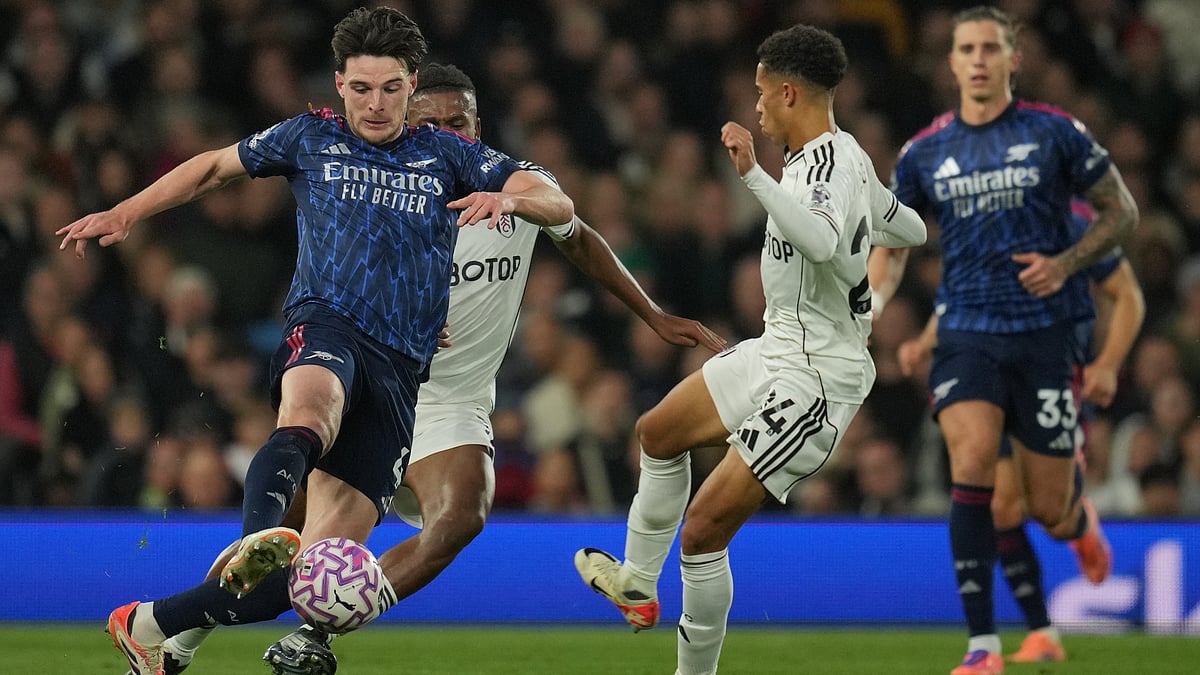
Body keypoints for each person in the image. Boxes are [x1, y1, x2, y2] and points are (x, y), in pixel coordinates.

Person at [150, 61, 727, 675]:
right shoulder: (385, 192)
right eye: (434, 122)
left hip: (457, 403)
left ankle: (311, 638)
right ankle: (175, 639)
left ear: (478, 126)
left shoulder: (515, 186)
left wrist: (653, 315)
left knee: (462, 514)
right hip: (377, 389)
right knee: (287, 540)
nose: (449, 132)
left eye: (462, 121)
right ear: (410, 125)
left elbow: (576, 230)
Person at [56, 8, 575, 675]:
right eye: (361, 88)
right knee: (311, 410)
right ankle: (257, 537)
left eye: (391, 88)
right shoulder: (308, 137)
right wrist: (127, 210)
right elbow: (214, 167)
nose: (376, 103)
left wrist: (516, 201)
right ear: (339, 84)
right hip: (325, 326)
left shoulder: (449, 155)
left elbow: (555, 200)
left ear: (411, 87)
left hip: (397, 376)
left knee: (302, 585)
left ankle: (153, 623)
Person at [573, 24, 926, 675]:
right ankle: (639, 585)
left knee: (704, 529)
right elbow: (910, 225)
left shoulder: (823, 166)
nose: (756, 107)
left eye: (762, 94)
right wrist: (884, 234)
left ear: (790, 92)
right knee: (657, 432)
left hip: (817, 380)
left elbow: (820, 241)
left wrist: (752, 176)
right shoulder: (841, 161)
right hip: (777, 349)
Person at [885, 7, 1138, 674]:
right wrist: (878, 304)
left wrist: (1067, 262)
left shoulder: (1055, 133)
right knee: (973, 468)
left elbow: (1123, 212)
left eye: (989, 48)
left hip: (1047, 338)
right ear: (951, 61)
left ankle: (1080, 526)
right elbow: (892, 240)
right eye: (965, 47)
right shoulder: (923, 153)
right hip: (968, 333)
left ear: (1011, 59)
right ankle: (982, 645)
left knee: (1047, 509)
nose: (976, 58)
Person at [872, 201, 1146, 664]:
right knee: (998, 503)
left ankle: (1079, 525)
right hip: (988, 368)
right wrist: (926, 340)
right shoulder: (984, 213)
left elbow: (1129, 297)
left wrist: (1108, 365)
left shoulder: (1074, 222)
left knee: (1050, 514)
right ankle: (1033, 634)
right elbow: (964, 295)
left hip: (1054, 372)